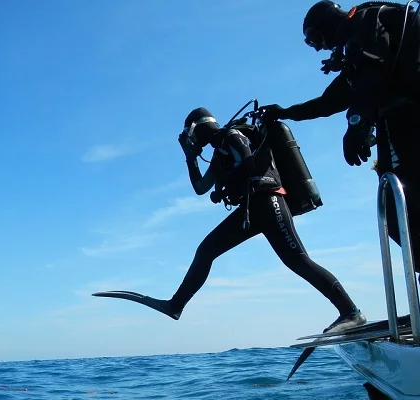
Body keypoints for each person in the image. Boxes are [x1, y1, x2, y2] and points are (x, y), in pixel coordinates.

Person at [141, 106, 365, 333]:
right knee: (206, 251)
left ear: (196, 129)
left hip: (269, 201)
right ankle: (176, 306)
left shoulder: (232, 135)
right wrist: (190, 159)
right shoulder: (219, 153)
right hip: (252, 209)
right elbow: (201, 187)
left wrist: (229, 182)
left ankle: (351, 312)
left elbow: (249, 163)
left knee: (297, 260)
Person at [260, 0, 420, 275]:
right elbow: (329, 102)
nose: (319, 47)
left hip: (408, 119)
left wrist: (357, 123)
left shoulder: (365, 23)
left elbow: (373, 76)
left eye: (314, 39)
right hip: (400, 120)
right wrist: (286, 112)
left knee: (401, 207)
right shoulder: (359, 48)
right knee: (397, 209)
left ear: (326, 24)